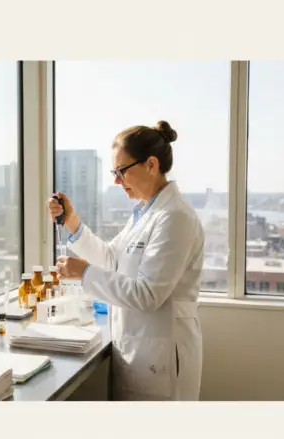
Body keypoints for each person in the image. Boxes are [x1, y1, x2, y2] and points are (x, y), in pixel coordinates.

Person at [50, 120, 205, 401]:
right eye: (114, 172)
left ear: (151, 164)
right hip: (138, 353)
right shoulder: (145, 213)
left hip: (162, 360)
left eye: (121, 171)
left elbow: (147, 294)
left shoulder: (175, 217)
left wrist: (85, 274)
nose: (116, 181)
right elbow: (111, 258)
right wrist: (72, 222)